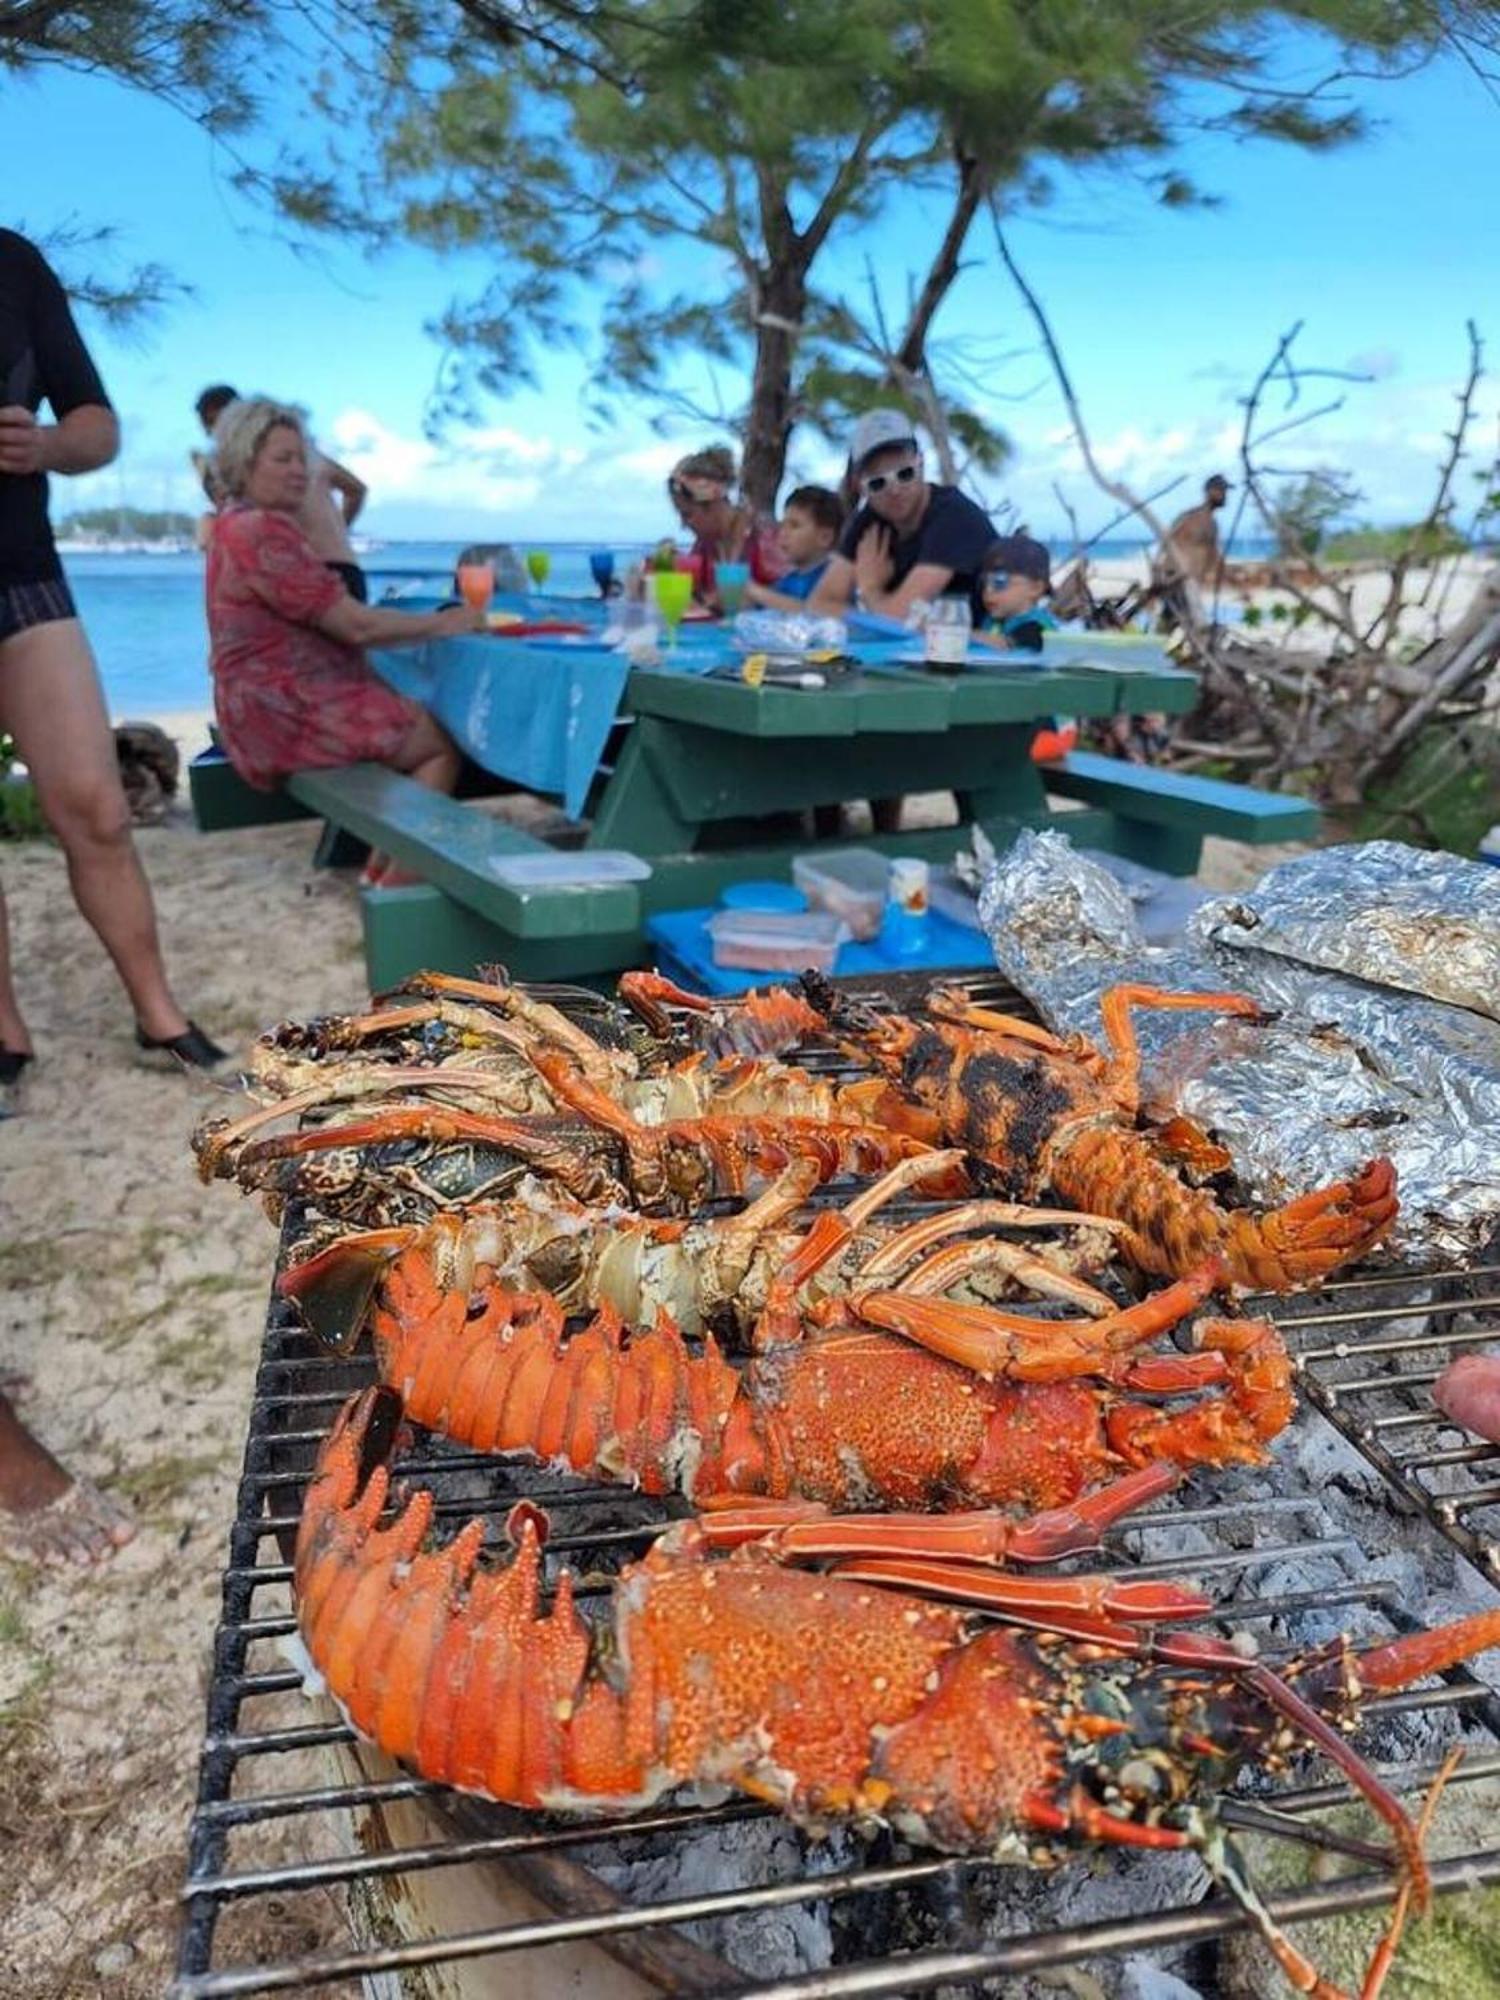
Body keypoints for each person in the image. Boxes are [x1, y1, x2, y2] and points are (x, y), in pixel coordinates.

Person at [2, 227, 225, 1563]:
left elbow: (96, 421)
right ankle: (9, 1032)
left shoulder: (16, 265)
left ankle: (159, 1012)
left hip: (23, 568)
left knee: (91, 798)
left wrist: (51, 450)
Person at [204, 397, 480, 886]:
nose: (299, 473)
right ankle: (397, 889)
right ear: (245, 462)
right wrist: (448, 623)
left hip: (253, 708)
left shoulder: (231, 524)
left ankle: (379, 868)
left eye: (302, 460)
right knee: (439, 745)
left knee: (403, 711)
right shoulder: (262, 532)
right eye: (283, 460)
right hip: (282, 714)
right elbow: (358, 627)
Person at [811, 409, 996, 621]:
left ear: (921, 463)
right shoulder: (871, 521)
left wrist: (870, 590)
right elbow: (818, 605)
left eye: (904, 474)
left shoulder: (955, 517)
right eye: (877, 483)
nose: (894, 490)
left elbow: (901, 619)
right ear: (859, 487)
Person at [194, 381, 372, 600]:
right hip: (349, 568)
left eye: (214, 426)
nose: (213, 436)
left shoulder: (255, 468)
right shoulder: (305, 453)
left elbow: (232, 527)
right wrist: (339, 531)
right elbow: (357, 490)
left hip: (313, 571)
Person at [664, 445, 784, 606]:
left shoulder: (764, 540)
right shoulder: (704, 546)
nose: (684, 525)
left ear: (714, 504)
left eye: (687, 515)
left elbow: (798, 604)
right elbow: (698, 601)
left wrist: (752, 600)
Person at [744, 485, 843, 609]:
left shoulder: (836, 578)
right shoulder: (788, 580)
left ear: (825, 537)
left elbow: (814, 613)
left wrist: (755, 591)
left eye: (794, 526)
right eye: (783, 525)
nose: (783, 533)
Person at [971, 534, 1055, 654]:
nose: (988, 591)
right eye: (983, 583)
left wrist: (958, 634)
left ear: (1035, 588)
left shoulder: (1037, 626)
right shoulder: (993, 621)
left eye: (999, 583)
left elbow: (1003, 644)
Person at [1155, 473, 1231, 595]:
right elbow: (1166, 544)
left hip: (1193, 584)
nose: (1225, 496)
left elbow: (1214, 556)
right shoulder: (1189, 517)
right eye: (1221, 490)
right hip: (1177, 580)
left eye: (1225, 491)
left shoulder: (1213, 524)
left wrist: (1226, 579)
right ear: (1210, 491)